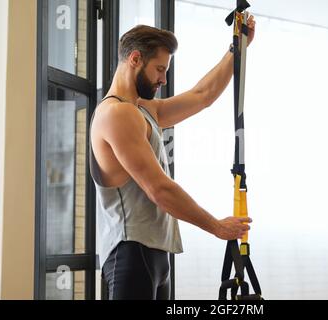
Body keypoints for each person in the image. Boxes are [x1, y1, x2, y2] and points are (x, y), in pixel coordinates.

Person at [89, 17, 256, 300]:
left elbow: (202, 96)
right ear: (135, 59)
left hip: (154, 253)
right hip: (130, 253)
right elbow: (160, 189)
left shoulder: (142, 110)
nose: (163, 79)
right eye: (159, 69)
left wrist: (237, 47)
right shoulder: (117, 114)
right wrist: (217, 226)